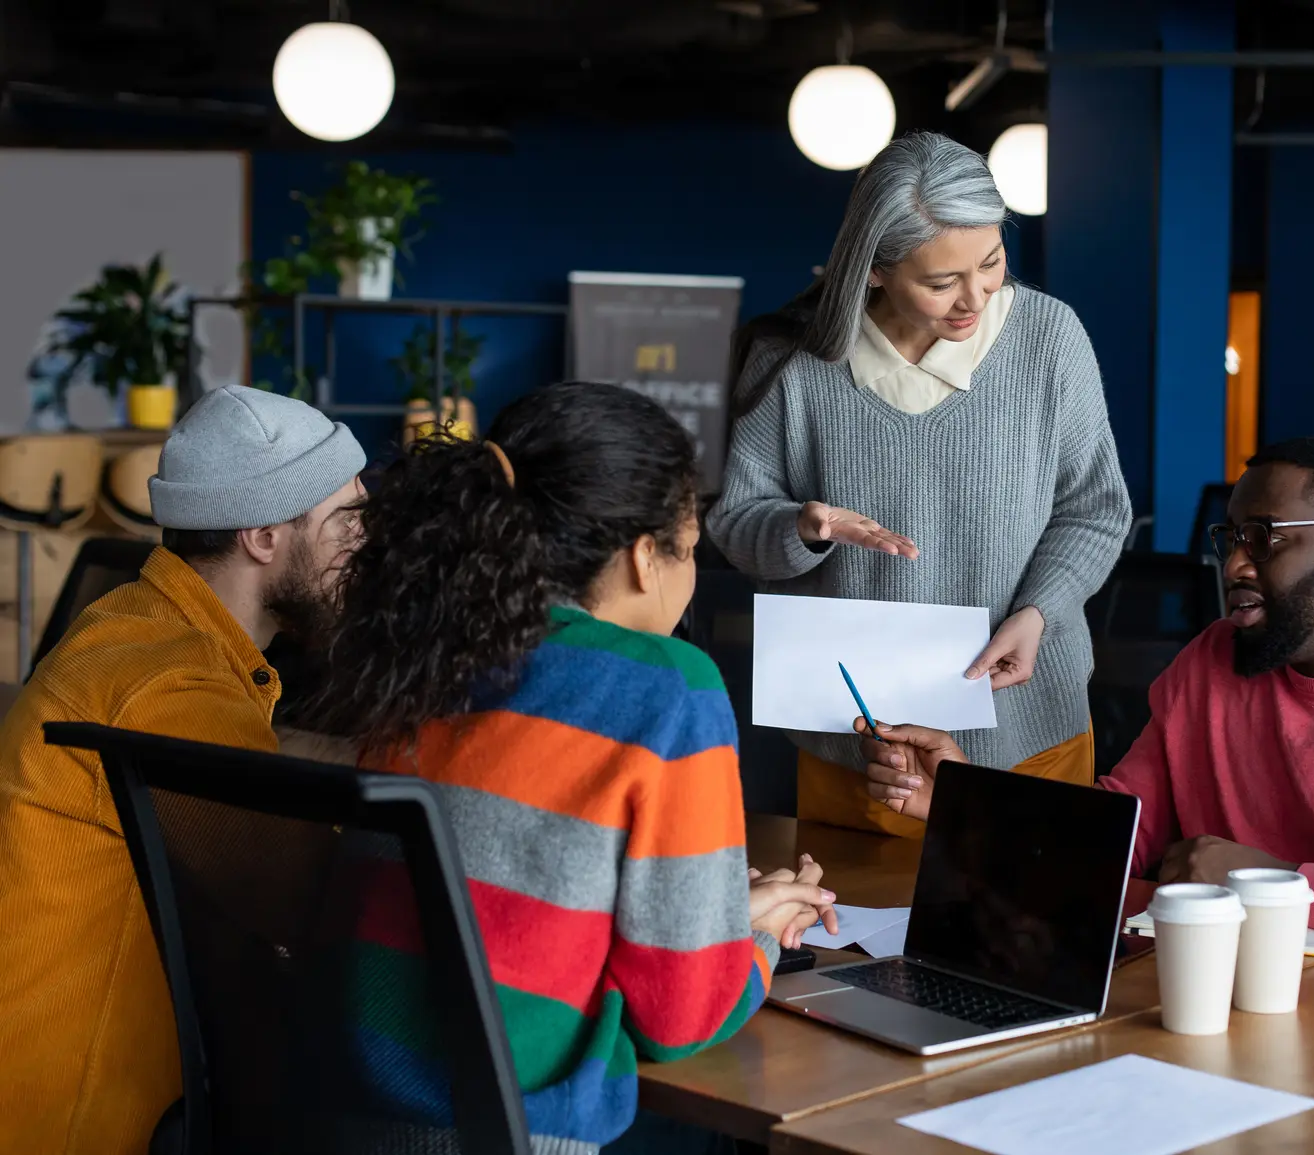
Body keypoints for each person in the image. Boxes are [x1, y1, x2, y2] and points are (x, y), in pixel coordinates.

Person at [852, 434, 1314, 971]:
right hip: (1239, 1008)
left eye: (1266, 537)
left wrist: (1273, 884)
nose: (1233, 563)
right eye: (1230, 535)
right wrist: (965, 804)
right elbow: (1123, 826)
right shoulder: (1212, 662)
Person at [308, 382, 838, 1155]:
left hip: (343, 1109)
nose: (689, 577)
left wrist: (722, 917)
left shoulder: (430, 643)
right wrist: (752, 947)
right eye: (688, 551)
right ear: (641, 557)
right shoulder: (666, 683)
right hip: (517, 1130)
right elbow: (680, 1020)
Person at [708, 131, 1132, 836]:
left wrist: (1040, 611)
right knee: (856, 936)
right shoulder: (790, 361)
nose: (975, 297)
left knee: (1024, 934)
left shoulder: (1049, 338)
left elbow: (1093, 510)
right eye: (940, 282)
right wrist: (802, 527)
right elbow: (738, 529)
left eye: (991, 261)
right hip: (858, 745)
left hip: (1027, 729)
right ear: (872, 270)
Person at [0, 385, 367, 1155]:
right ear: (264, 534)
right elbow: (322, 905)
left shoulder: (135, 628)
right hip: (64, 1127)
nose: (362, 546)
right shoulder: (172, 684)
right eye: (346, 520)